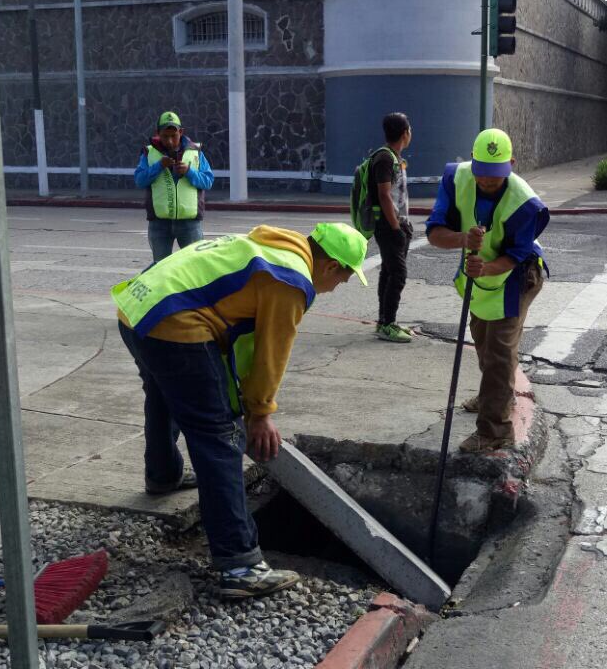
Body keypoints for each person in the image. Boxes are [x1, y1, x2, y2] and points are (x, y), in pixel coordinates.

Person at [113, 222, 368, 598]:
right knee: (219, 435)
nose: (336, 288)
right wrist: (259, 414)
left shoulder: (266, 246)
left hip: (137, 308)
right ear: (331, 266)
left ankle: (163, 475)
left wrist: (247, 401)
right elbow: (270, 353)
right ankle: (240, 565)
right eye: (343, 280)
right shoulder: (291, 280)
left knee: (165, 393)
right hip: (175, 322)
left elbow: (242, 342)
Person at [425, 128, 549, 453]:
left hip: (517, 276)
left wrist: (489, 267)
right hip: (479, 276)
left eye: (495, 176)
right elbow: (434, 233)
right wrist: (463, 240)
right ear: (472, 162)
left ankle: (495, 431)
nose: (487, 182)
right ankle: (493, 394)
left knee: (499, 351)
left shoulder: (524, 202)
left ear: (511, 163)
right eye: (482, 174)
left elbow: (519, 254)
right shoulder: (457, 180)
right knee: (481, 336)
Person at [134, 111, 214, 262]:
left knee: (195, 267)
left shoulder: (195, 152)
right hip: (159, 223)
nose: (170, 141)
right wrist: (159, 166)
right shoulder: (149, 153)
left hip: (189, 223)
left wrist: (189, 172)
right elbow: (139, 180)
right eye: (165, 136)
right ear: (158, 133)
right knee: (161, 268)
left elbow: (208, 181)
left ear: (181, 132)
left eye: (174, 136)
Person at [370, 113, 414, 343]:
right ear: (405, 133)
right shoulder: (385, 159)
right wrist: (396, 228)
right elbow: (384, 195)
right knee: (397, 274)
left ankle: (385, 321)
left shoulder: (393, 157)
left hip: (397, 225)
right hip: (389, 227)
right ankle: (387, 325)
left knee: (388, 272)